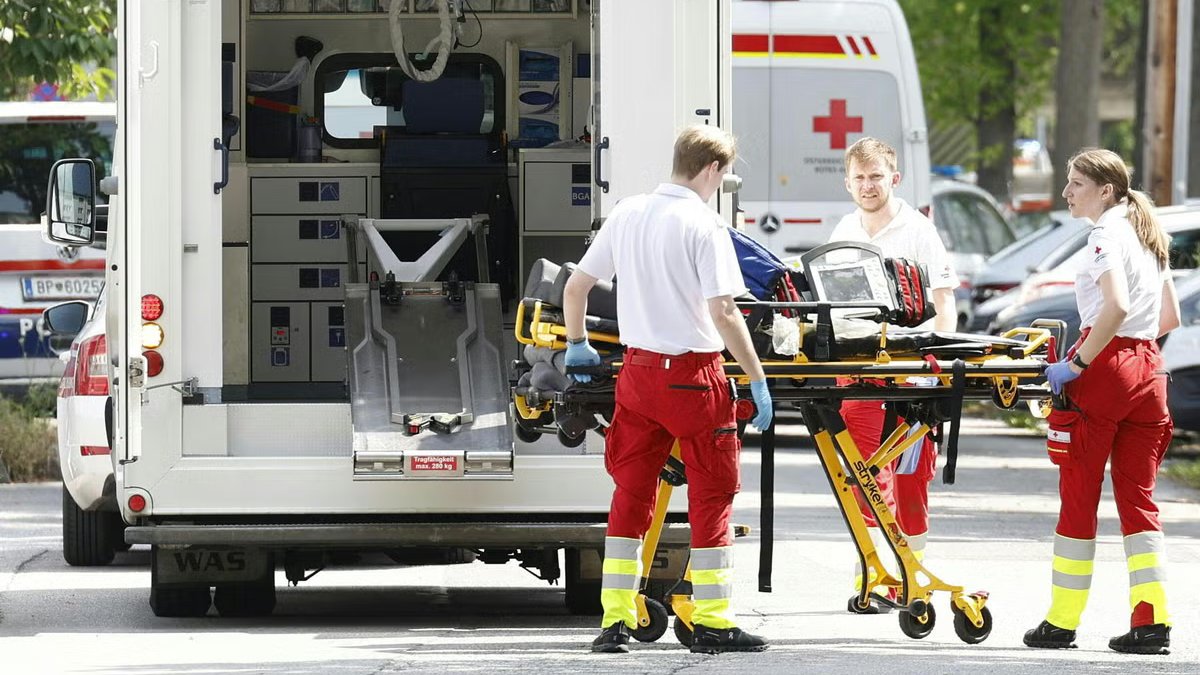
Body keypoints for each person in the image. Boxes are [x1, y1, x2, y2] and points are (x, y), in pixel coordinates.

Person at [561, 125, 773, 655]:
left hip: (636, 376)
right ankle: (714, 621)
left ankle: (614, 621)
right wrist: (757, 377)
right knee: (710, 496)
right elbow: (724, 312)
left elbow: (576, 285)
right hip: (693, 380)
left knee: (632, 496)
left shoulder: (628, 213)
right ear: (712, 170)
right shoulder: (704, 225)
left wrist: (578, 343)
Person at [1023, 148, 1179, 655]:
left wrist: (1079, 363)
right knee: (1140, 501)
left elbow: (1117, 305)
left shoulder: (1105, 235)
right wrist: (1134, 352)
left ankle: (1062, 622)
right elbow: (1168, 318)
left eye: (1075, 183)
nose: (1066, 192)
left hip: (1106, 369)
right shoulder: (1148, 234)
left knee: (1079, 496)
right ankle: (1151, 623)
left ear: (1105, 190)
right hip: (1150, 370)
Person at [827, 137, 959, 611]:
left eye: (876, 176)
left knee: (909, 478)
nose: (868, 185)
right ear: (847, 182)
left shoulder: (918, 231)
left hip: (908, 369)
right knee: (861, 473)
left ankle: (911, 576)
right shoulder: (844, 230)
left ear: (894, 179)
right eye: (859, 178)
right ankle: (877, 577)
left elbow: (945, 308)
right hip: (858, 368)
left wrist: (932, 366)